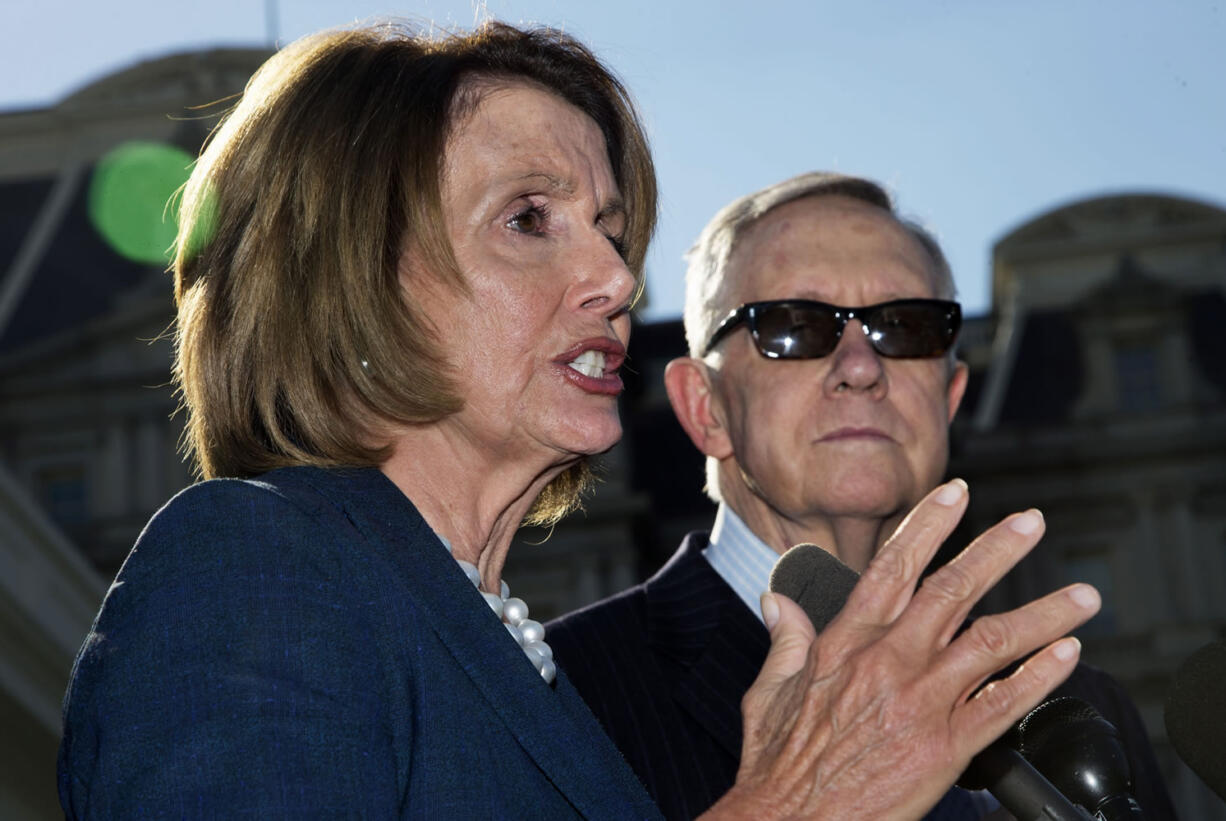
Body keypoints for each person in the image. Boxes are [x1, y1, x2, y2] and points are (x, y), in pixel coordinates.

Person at [56, 24, 1101, 820]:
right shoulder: (251, 564)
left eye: (607, 227)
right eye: (528, 219)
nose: (613, 274)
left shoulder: (529, 672)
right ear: (353, 276)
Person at [547, 172, 1177, 820]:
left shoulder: (1079, 707)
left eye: (905, 327)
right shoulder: (559, 692)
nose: (861, 366)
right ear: (704, 408)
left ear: (949, 398)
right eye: (793, 324)